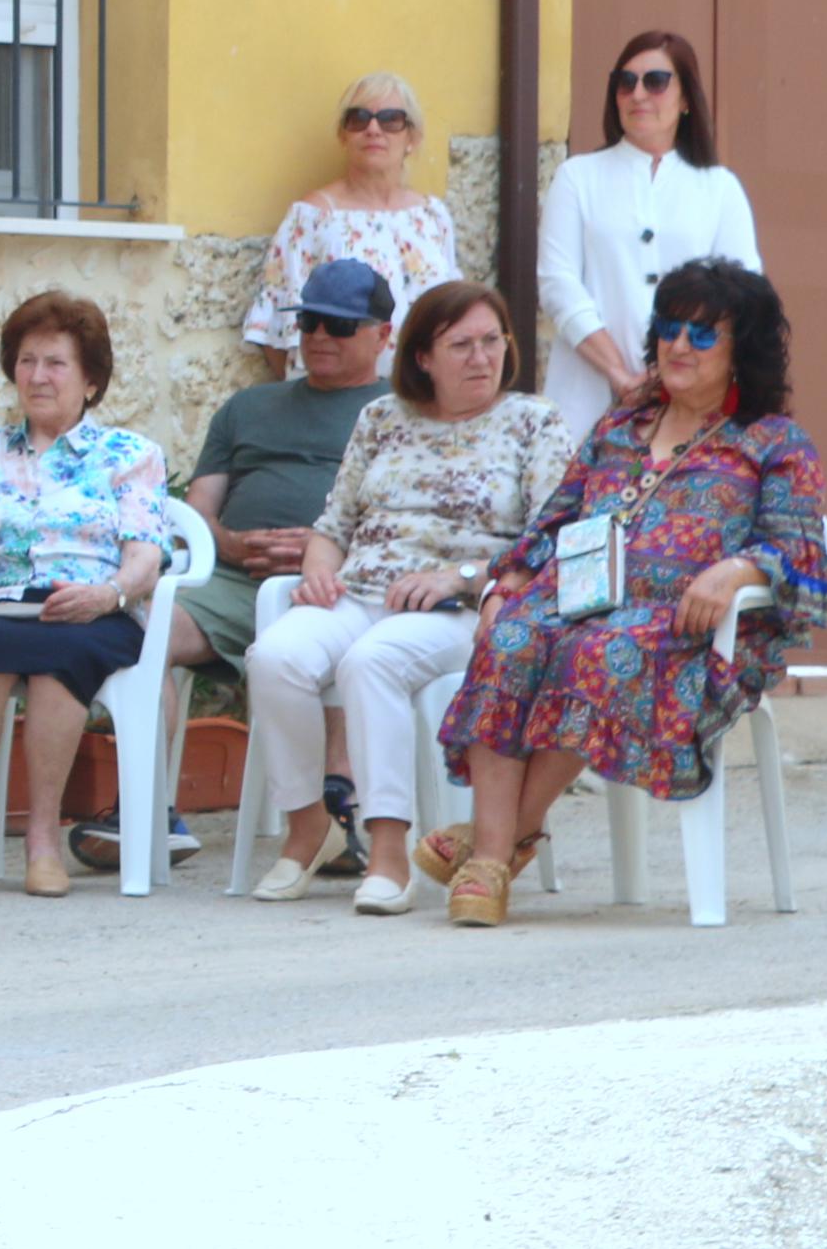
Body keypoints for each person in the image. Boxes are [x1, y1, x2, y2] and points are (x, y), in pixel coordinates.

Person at [431, 257, 827, 926]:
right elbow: (551, 520)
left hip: (683, 629)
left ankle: (487, 855)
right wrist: (506, 582)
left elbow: (798, 545)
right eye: (669, 328)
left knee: (589, 650)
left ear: (740, 351)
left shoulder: (771, 442)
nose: (677, 344)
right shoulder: (619, 429)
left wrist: (733, 571)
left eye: (701, 335)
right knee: (508, 637)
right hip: (580, 600)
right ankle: (499, 850)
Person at [241, 281, 573, 912]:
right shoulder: (381, 418)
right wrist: (317, 569)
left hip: (464, 608)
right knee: (275, 657)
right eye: (461, 345)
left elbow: (549, 537)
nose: (481, 358)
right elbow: (335, 524)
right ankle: (307, 826)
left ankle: (387, 848)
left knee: (373, 663)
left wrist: (466, 578)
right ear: (423, 356)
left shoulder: (535, 421)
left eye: (491, 342)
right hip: (361, 591)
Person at [0, 291, 169, 899]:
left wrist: (108, 594)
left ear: (91, 381)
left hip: (93, 611)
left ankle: (43, 840)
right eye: (26, 361)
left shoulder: (129, 455)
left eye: (55, 363)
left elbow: (147, 554)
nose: (37, 376)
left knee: (60, 657)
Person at [143, 258, 399, 876]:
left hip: (342, 579)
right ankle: (145, 809)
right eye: (309, 321)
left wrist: (325, 546)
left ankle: (338, 801)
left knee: (341, 634)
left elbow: (408, 515)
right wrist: (228, 544)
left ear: (382, 336)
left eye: (339, 326)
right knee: (143, 631)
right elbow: (197, 508)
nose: (317, 337)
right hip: (233, 581)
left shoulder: (400, 410)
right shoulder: (248, 407)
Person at [538, 28, 762, 436]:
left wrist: (680, 370)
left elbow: (742, 294)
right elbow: (557, 283)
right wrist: (621, 373)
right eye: (625, 83)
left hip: (694, 403)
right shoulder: (576, 178)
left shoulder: (719, 188)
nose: (638, 94)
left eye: (655, 82)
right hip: (587, 398)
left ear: (687, 99)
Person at [239, 71, 459, 356]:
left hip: (428, 391)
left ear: (412, 137)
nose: (374, 129)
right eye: (359, 118)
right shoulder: (313, 218)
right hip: (343, 392)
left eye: (391, 119)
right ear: (343, 134)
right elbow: (278, 329)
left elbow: (455, 311)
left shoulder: (432, 217)